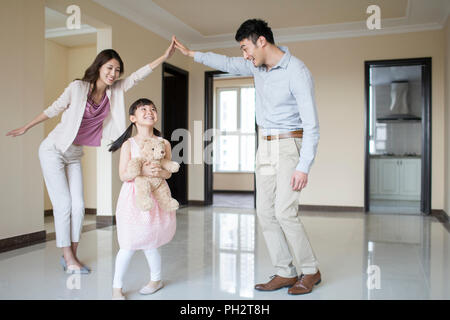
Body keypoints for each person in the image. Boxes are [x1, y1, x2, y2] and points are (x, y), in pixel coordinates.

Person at [174, 19, 321, 295]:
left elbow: (312, 124)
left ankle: (311, 270)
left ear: (261, 41)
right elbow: (226, 63)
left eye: (245, 48)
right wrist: (192, 54)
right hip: (264, 145)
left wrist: (304, 166)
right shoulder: (257, 66)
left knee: (284, 212)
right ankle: (285, 271)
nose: (244, 55)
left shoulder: (297, 71)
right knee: (264, 211)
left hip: (290, 144)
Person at [6, 38, 176, 274]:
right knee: (64, 204)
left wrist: (164, 57)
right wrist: (27, 127)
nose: (113, 73)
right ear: (99, 67)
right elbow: (53, 109)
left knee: (79, 206)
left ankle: (71, 256)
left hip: (74, 153)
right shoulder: (77, 88)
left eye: (117, 70)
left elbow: (138, 75)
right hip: (53, 150)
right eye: (109, 68)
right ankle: (68, 257)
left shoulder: (114, 92)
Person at [109, 98, 176, 300]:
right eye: (143, 109)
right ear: (133, 118)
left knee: (151, 241)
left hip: (156, 195)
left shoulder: (163, 142)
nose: (150, 111)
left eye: (153, 109)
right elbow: (123, 175)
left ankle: (156, 279)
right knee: (128, 243)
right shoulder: (129, 144)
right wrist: (142, 169)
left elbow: (168, 173)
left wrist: (159, 172)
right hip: (134, 197)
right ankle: (116, 288)